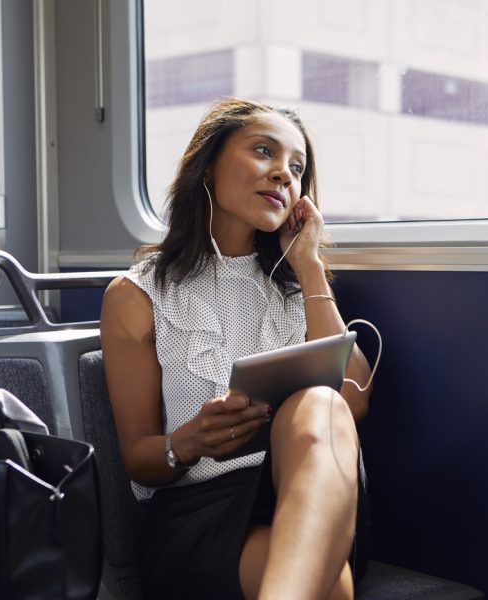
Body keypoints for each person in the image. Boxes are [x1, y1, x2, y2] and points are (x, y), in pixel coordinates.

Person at [100, 97, 373, 599]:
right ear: (208, 163)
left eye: (297, 169)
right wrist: (192, 441)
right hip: (199, 516)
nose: (283, 176)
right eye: (264, 151)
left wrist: (309, 267)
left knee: (320, 401)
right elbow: (138, 458)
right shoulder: (136, 296)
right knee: (330, 586)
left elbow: (353, 399)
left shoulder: (295, 288)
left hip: (306, 492)